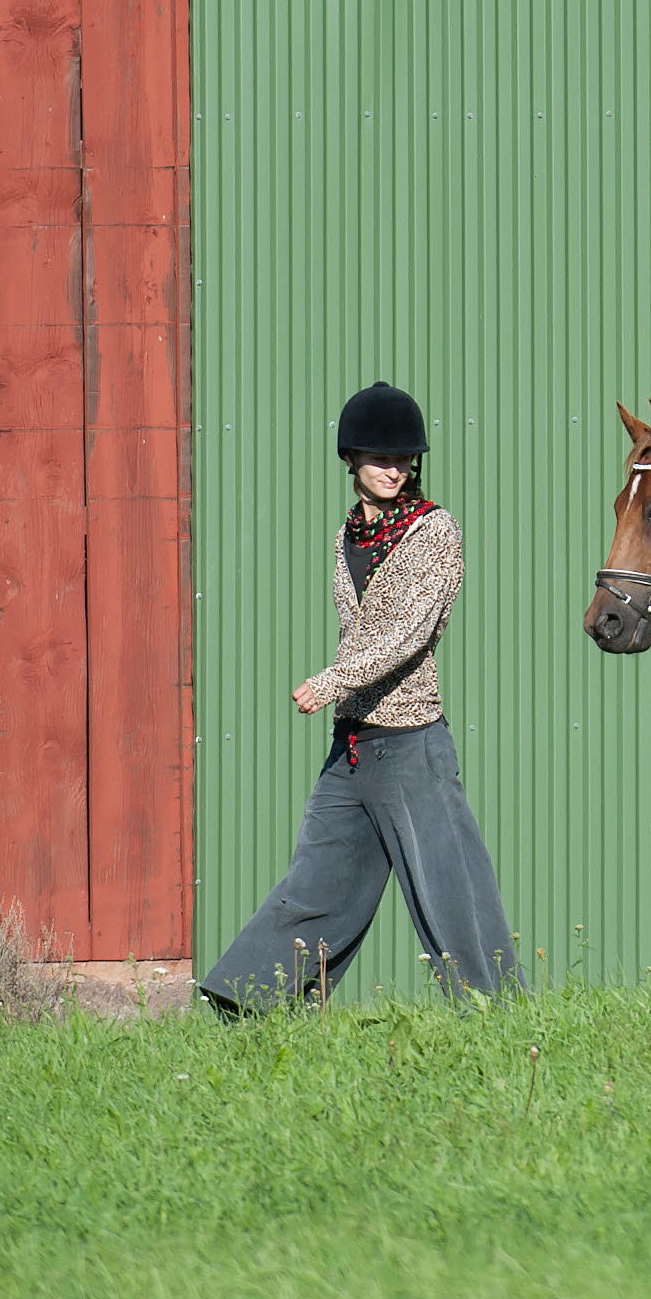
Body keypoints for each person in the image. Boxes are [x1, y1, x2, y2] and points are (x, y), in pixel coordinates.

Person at [200, 381, 521, 1009]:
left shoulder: (435, 531)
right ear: (351, 460)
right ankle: (250, 1003)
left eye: (403, 459)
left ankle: (494, 1012)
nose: (393, 470)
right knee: (319, 877)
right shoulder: (348, 533)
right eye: (379, 458)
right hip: (352, 744)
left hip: (410, 744)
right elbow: (362, 626)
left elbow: (409, 629)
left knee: (447, 886)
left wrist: (331, 682)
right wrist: (344, 698)